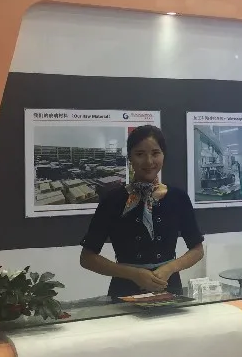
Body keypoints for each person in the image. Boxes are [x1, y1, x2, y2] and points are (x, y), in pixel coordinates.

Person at [80, 125, 205, 299]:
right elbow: (87, 258)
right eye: (140, 154)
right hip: (124, 292)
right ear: (130, 157)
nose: (148, 161)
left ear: (163, 155)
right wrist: (133, 274)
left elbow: (197, 250)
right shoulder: (112, 200)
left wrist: (170, 268)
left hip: (168, 288)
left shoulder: (178, 198)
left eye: (155, 153)